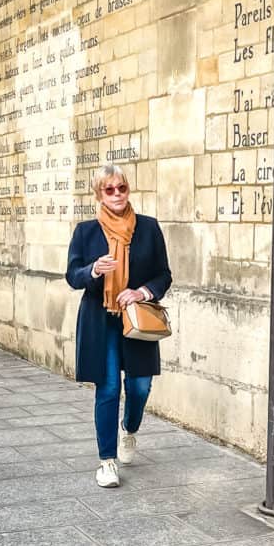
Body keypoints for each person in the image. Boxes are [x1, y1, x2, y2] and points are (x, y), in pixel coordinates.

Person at [66, 165, 172, 487]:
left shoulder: (149, 228)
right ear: (99, 194)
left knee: (140, 388)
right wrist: (93, 270)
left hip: (136, 319)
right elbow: (73, 276)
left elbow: (164, 275)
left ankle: (130, 429)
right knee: (109, 387)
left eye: (121, 188)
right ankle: (107, 461)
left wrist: (141, 291)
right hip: (101, 321)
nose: (116, 195)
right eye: (109, 190)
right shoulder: (86, 232)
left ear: (128, 190)